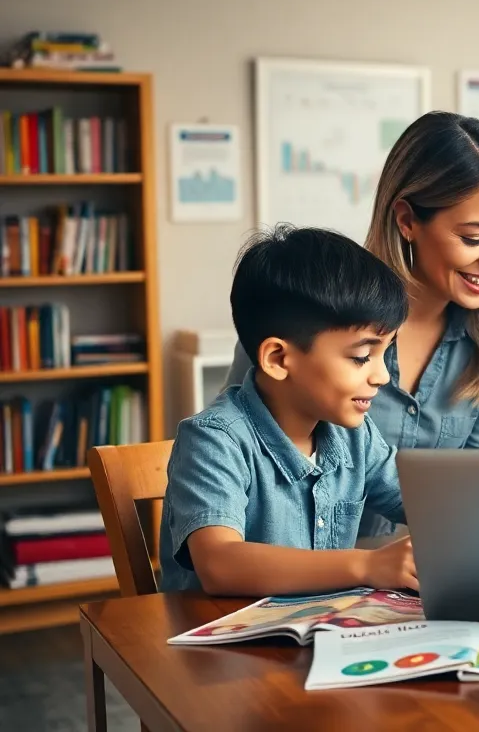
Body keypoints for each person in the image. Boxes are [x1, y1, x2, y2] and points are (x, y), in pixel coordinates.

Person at [223, 112, 479, 539]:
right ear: (407, 220)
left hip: (415, 580)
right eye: (473, 237)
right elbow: (237, 459)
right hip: (289, 583)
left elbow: (472, 494)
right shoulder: (304, 317)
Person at [160, 226, 416, 595]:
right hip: (221, 642)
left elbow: (424, 503)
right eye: (362, 357)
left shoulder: (354, 435)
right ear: (278, 359)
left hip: (321, 634)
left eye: (384, 354)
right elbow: (219, 562)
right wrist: (367, 564)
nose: (382, 375)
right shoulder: (214, 440)